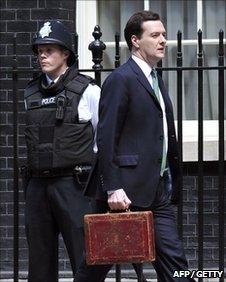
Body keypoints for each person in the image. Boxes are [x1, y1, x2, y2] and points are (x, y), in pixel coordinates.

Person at [74, 10, 195, 282]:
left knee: (177, 267)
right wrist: (113, 187)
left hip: (156, 190)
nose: (163, 40)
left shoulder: (155, 79)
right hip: (123, 192)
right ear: (135, 41)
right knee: (95, 265)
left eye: (164, 34)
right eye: (155, 35)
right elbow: (105, 137)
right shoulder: (121, 79)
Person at [23, 20, 100, 282]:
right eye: (39, 50)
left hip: (74, 186)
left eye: (49, 49)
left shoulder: (88, 90)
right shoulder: (30, 92)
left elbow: (103, 139)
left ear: (66, 53)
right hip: (37, 186)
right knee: (39, 265)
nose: (42, 55)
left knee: (85, 260)